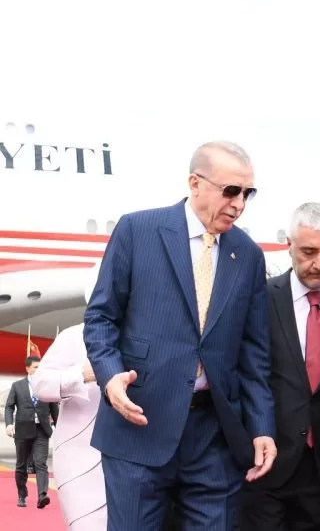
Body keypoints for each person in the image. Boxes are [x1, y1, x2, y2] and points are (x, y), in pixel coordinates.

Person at [84, 141, 277, 531]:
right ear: (195, 183)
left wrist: (261, 427)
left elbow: (253, 354)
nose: (239, 204)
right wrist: (110, 377)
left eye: (247, 193)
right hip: (139, 426)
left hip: (214, 438)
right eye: (231, 191)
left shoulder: (248, 256)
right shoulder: (138, 231)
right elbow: (101, 317)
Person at [239, 202, 320, 531]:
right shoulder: (258, 300)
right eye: (309, 251)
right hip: (265, 462)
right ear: (289, 245)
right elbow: (244, 374)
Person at [4, 356, 58, 509]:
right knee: (21, 465)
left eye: (40, 367)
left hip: (42, 429)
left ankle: (42, 495)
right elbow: (9, 407)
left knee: (41, 463)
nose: (38, 370)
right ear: (27, 368)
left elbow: (54, 408)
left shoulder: (47, 386)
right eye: (35, 367)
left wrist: (59, 427)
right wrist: (9, 424)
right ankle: (22, 494)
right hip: (23, 429)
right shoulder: (17, 386)